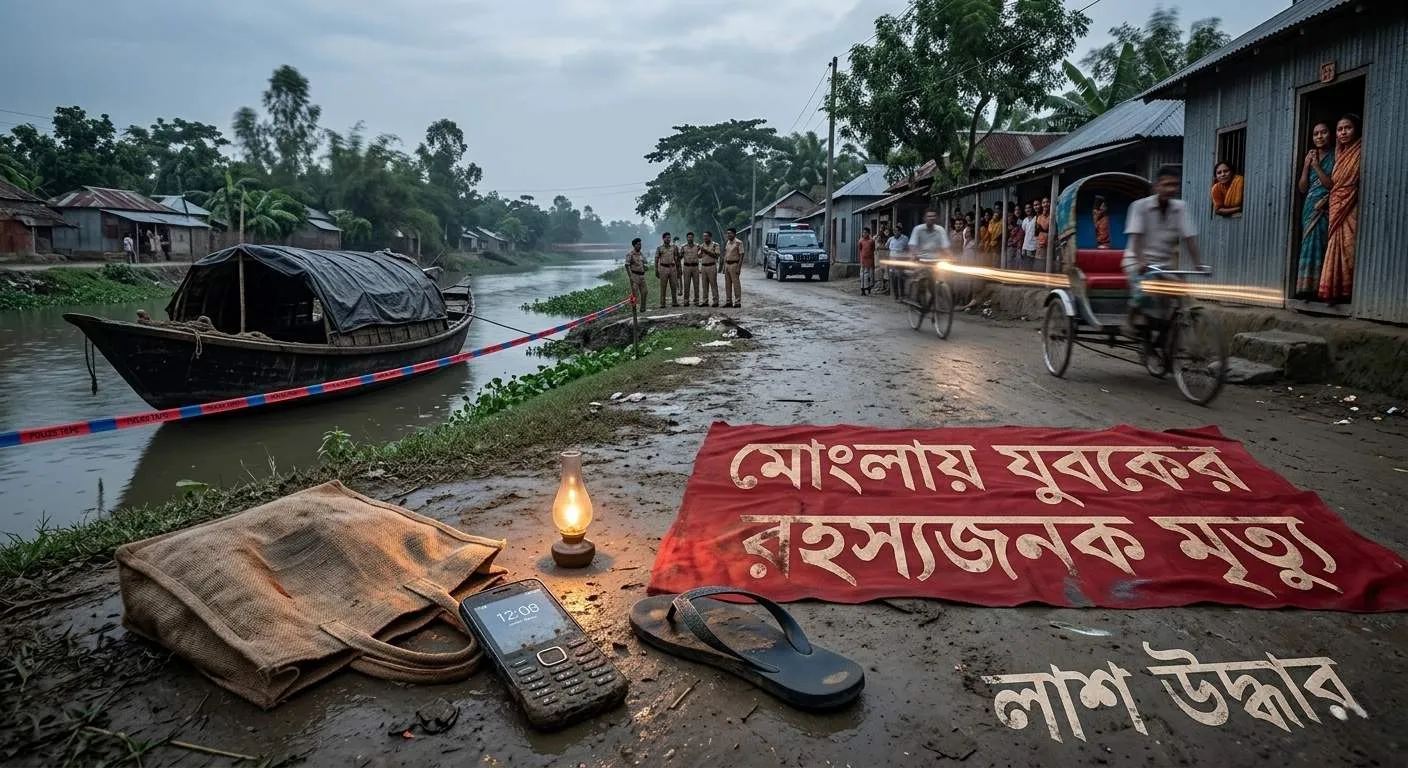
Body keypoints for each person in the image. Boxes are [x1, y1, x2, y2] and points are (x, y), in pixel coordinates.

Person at [1124, 165, 1203, 337]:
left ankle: (1170, 337)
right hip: (1137, 261)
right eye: (1167, 184)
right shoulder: (1140, 206)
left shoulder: (1181, 207)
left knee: (1181, 292)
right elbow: (1135, 239)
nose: (1171, 189)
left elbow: (1189, 238)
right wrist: (1142, 261)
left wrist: (1198, 264)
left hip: (1164, 265)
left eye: (1175, 185)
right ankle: (1131, 317)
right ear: (1156, 186)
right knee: (1147, 289)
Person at [1318, 114, 1362, 305]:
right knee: (1335, 244)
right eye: (1340, 129)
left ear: (1356, 129)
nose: (1343, 132)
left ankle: (1346, 291)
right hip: (1337, 204)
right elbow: (1336, 184)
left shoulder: (1360, 151)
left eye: (1348, 128)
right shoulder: (1339, 153)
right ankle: (1333, 290)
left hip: (1351, 205)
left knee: (1348, 246)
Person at [1295, 122, 1335, 299]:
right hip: (1310, 206)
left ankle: (1320, 288)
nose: (1319, 136)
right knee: (1308, 245)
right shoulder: (1310, 157)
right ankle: (1305, 288)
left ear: (1330, 134)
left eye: (1323, 132)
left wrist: (1317, 166)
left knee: (1321, 245)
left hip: (1325, 206)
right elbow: (1302, 188)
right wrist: (1306, 165)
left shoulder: (1336, 155)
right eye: (1316, 133)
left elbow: (1330, 184)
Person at [655, 233, 680, 308]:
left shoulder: (674, 248)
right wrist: (656, 269)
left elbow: (676, 259)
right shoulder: (659, 248)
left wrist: (678, 269)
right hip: (663, 268)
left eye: (669, 237)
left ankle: (674, 302)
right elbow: (656, 259)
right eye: (666, 238)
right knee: (663, 286)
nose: (668, 239)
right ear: (663, 239)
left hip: (672, 268)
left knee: (673, 285)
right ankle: (662, 303)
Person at [723, 227, 745, 308]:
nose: (728, 235)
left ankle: (737, 302)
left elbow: (741, 255)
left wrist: (739, 267)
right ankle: (728, 301)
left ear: (734, 234)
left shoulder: (739, 243)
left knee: (736, 284)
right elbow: (726, 254)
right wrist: (724, 266)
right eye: (727, 233)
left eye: (730, 233)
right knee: (727, 284)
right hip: (727, 264)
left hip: (734, 264)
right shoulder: (728, 242)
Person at [625, 238, 649, 310]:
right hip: (634, 275)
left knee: (645, 292)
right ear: (634, 245)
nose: (640, 246)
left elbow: (645, 262)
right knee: (635, 293)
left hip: (642, 276)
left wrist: (645, 267)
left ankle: (643, 308)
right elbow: (627, 265)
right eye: (638, 245)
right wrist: (630, 276)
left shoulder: (641, 254)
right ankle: (634, 309)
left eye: (640, 244)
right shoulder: (630, 254)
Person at [699, 231, 721, 307]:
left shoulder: (715, 245)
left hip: (712, 266)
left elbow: (716, 255)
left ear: (710, 237)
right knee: (704, 285)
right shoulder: (702, 245)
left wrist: (705, 251)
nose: (705, 238)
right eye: (704, 236)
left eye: (706, 236)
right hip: (703, 266)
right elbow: (699, 256)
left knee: (713, 284)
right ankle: (705, 301)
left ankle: (716, 301)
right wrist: (699, 251)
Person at [886, 223, 908, 299]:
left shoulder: (905, 238)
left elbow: (908, 248)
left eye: (896, 231)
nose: (895, 232)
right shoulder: (890, 239)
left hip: (901, 261)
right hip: (892, 261)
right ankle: (896, 295)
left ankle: (902, 294)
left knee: (901, 277)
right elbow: (886, 247)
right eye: (894, 231)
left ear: (900, 231)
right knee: (893, 278)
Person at [679, 232, 701, 306]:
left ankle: (697, 300)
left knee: (696, 284)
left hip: (695, 267)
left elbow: (701, 255)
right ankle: (686, 300)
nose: (690, 238)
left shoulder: (697, 246)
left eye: (691, 237)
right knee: (686, 284)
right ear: (687, 238)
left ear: (693, 238)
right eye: (688, 237)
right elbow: (680, 257)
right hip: (686, 267)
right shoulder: (683, 246)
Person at [858, 227, 876, 295]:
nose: (864, 234)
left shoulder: (871, 241)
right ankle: (862, 290)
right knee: (862, 275)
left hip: (870, 260)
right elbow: (860, 249)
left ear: (868, 233)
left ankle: (869, 289)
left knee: (869, 275)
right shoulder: (861, 241)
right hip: (863, 260)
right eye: (863, 232)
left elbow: (873, 249)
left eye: (865, 232)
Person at [1020, 203, 1038, 270]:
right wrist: (1022, 247)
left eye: (1029, 207)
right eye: (1026, 208)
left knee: (1034, 267)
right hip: (1026, 246)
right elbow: (1023, 234)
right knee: (1027, 267)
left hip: (1034, 246)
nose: (1027, 209)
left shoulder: (1036, 218)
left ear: (1032, 208)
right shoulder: (1025, 220)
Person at [1035, 198, 1051, 270]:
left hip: (1050, 244)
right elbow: (1038, 231)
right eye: (1044, 202)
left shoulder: (1052, 216)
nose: (1045, 204)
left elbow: (1045, 228)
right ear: (1042, 205)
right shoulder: (1039, 217)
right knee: (1040, 266)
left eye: (1047, 202)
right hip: (1041, 244)